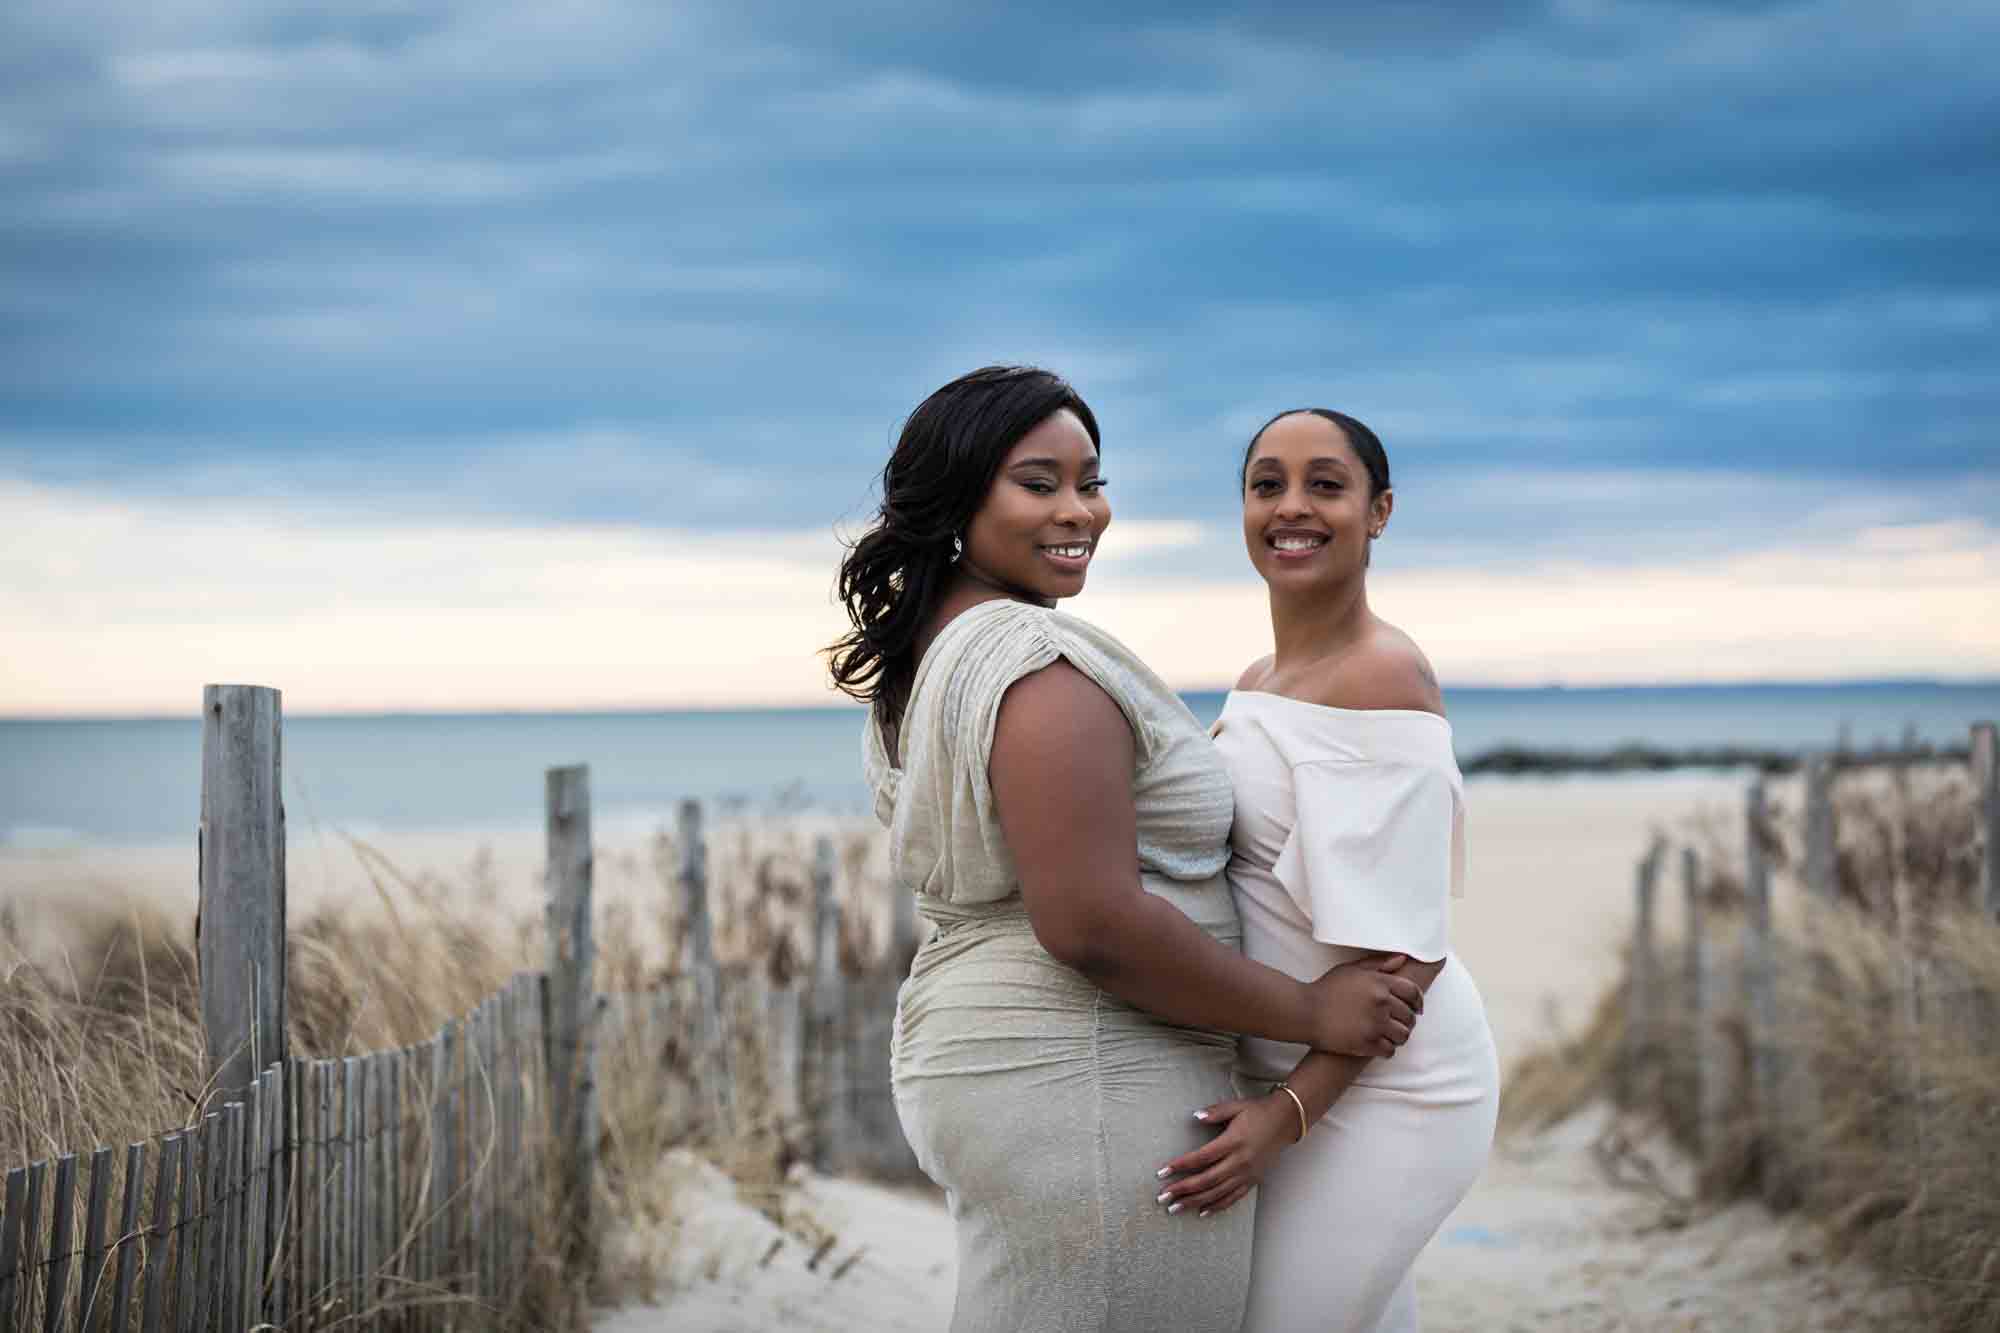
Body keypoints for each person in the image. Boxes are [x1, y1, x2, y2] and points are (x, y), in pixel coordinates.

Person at [827, 369, 1429, 1333]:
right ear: (957, 500)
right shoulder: (1036, 668)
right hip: (1088, 1071)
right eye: (1038, 483)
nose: (1080, 511)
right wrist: (1315, 1009)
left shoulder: (930, 654)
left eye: (1091, 480)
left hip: (1010, 1062)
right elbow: (1093, 923)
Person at [1153, 408, 1501, 1332]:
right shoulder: (1262, 674)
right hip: (1293, 1073)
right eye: (1267, 484)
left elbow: (1404, 961)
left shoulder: (1380, 677)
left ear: (1380, 510)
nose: (1291, 507)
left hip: (1391, 1088)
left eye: (1326, 484)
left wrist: (1289, 1114)